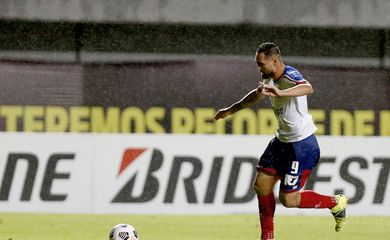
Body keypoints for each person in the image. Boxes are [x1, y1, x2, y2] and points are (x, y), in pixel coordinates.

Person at [214, 42, 348, 240]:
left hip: (301, 146)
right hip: (281, 141)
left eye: (261, 64)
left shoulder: (289, 75)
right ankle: (267, 237)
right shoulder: (270, 79)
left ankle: (335, 202)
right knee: (261, 185)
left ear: (274, 61)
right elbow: (255, 96)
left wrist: (281, 93)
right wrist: (230, 110)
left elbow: (307, 88)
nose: (258, 68)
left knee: (289, 200)